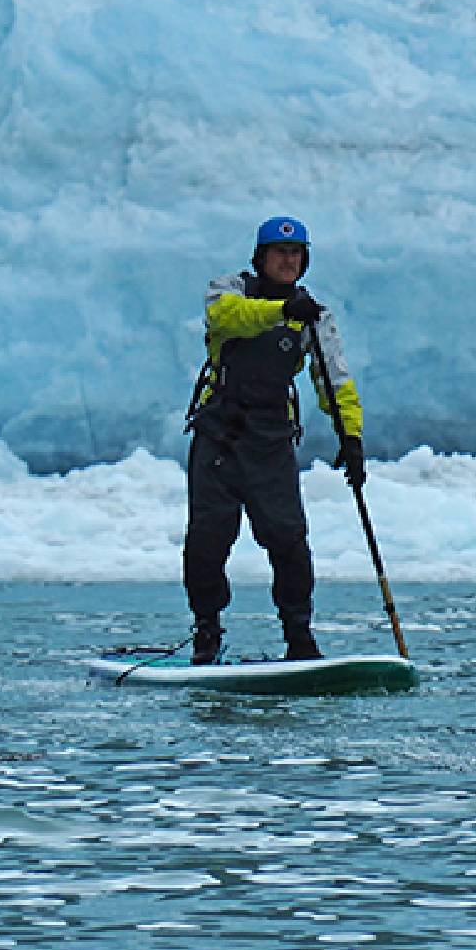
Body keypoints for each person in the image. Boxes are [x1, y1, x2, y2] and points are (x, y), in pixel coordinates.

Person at [182, 215, 365, 665]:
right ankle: (207, 631)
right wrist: (281, 312)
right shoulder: (228, 290)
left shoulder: (314, 316)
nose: (288, 260)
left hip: (271, 440)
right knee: (208, 539)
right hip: (219, 436)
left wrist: (351, 436)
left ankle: (299, 636)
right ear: (260, 257)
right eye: (280, 252)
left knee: (288, 539)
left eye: (296, 253)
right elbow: (228, 319)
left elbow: (334, 378)